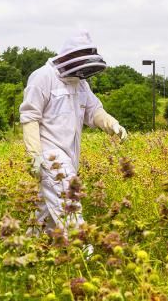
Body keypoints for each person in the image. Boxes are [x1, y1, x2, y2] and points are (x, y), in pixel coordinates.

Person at [19, 30, 127, 238]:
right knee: (69, 203)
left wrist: (112, 124)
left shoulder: (81, 83)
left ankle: (28, 252)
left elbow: (94, 110)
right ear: (69, 56)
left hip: (70, 156)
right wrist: (34, 154)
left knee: (45, 213)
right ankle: (82, 252)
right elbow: (29, 116)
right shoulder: (43, 77)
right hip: (50, 156)